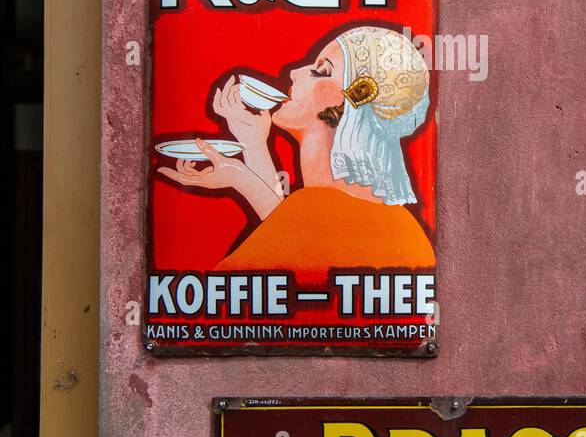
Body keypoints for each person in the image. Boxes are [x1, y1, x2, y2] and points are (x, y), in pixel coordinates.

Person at [156, 25, 434, 274]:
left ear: (352, 103)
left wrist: (241, 177)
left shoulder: (326, 208)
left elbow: (235, 301)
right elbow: (300, 241)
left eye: (320, 71)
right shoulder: (381, 220)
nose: (294, 72)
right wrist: (253, 144)